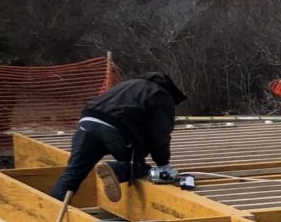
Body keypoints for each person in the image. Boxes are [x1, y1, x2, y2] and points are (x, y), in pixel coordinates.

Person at [52, 72, 187, 203]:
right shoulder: (161, 95)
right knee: (139, 167)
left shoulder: (128, 85)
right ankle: (115, 170)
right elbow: (159, 135)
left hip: (86, 123)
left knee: (73, 172)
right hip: (115, 128)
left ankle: (50, 210)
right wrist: (163, 164)